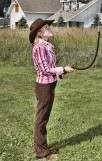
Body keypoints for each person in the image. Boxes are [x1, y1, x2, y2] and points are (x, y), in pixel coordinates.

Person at [29, 18, 76, 160]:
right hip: (44, 87)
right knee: (41, 119)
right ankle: (42, 152)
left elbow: (50, 69)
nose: (50, 28)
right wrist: (62, 69)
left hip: (49, 84)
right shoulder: (39, 48)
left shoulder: (46, 46)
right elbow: (45, 69)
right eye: (47, 27)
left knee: (45, 118)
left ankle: (43, 145)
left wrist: (61, 73)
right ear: (39, 32)